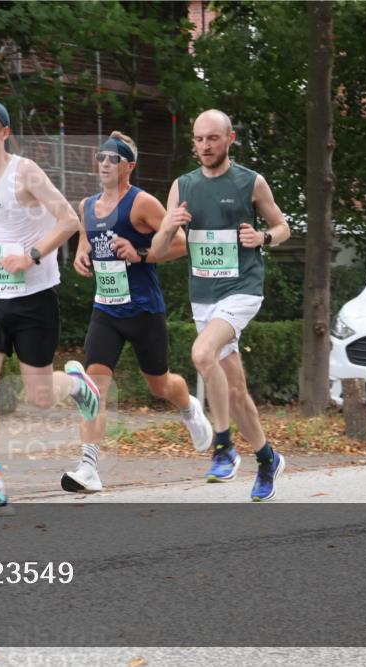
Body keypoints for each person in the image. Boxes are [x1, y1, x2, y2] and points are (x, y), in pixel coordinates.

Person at [0, 99, 100, 517]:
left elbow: (68, 220)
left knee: (41, 395)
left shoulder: (25, 172)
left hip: (33, 299)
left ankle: (80, 386)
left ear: (4, 132)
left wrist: (31, 255)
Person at [151, 109, 291, 501]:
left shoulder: (250, 181)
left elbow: (283, 227)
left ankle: (224, 445)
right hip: (204, 297)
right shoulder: (183, 186)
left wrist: (262, 238)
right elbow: (159, 250)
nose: (205, 146)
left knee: (201, 352)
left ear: (229, 139)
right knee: (235, 389)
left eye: (213, 138)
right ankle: (267, 458)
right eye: (198, 139)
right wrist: (167, 226)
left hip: (243, 289)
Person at [62, 131, 213, 493]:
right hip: (106, 310)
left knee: (159, 383)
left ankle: (189, 407)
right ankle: (88, 466)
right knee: (94, 385)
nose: (104, 164)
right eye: (101, 157)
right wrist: (82, 257)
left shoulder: (142, 203)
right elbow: (86, 242)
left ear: (130, 166)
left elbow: (181, 244)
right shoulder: (87, 206)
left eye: (113, 158)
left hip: (144, 309)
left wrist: (140, 252)